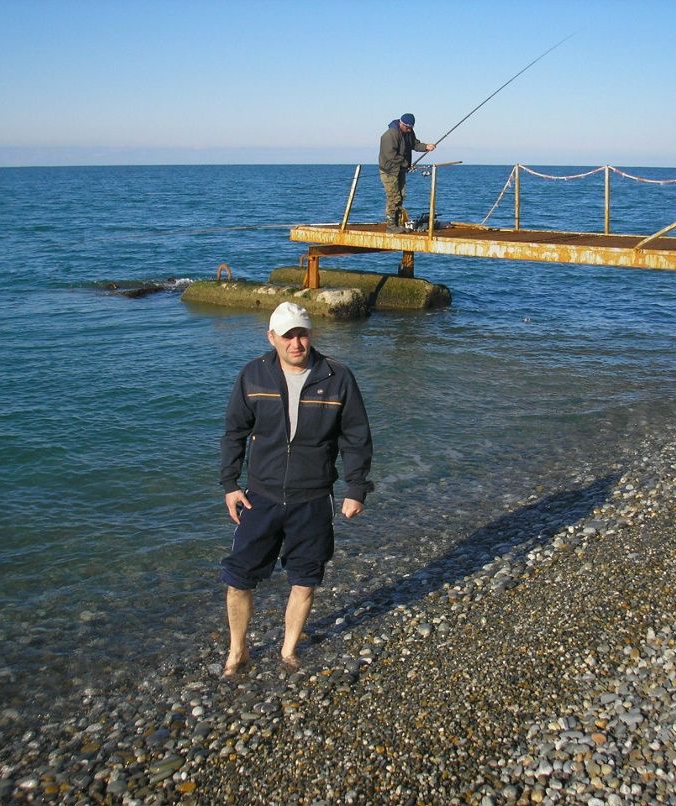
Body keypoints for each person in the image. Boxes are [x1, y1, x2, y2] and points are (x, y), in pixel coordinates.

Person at [219, 301, 374, 676]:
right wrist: (229, 483)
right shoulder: (253, 376)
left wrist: (356, 489)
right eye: (287, 335)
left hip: (314, 497)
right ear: (271, 337)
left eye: (301, 333)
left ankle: (288, 650)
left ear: (311, 334)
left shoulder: (337, 376)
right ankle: (237, 651)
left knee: (305, 580)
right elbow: (234, 432)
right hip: (260, 496)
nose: (296, 343)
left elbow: (356, 436)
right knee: (239, 578)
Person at [379, 113, 436, 233]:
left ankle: (397, 223)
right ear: (401, 123)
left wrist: (426, 147)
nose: (409, 130)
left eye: (411, 128)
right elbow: (391, 155)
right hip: (389, 171)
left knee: (401, 196)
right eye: (407, 127)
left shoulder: (409, 132)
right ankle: (391, 226)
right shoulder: (390, 135)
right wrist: (406, 164)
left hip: (400, 170)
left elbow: (414, 144)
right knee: (393, 197)